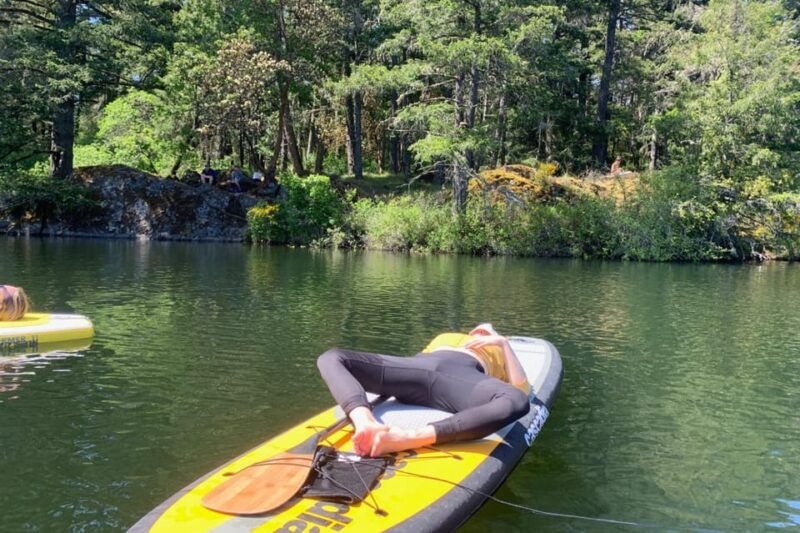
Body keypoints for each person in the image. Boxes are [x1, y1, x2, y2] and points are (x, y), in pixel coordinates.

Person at [317, 323, 530, 457]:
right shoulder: (445, 336)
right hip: (418, 367)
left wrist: (502, 343)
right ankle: (366, 422)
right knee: (332, 357)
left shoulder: (497, 348)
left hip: (461, 376)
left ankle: (407, 439)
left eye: (489, 330)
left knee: (517, 400)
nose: (483, 329)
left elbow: (521, 388)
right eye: (480, 328)